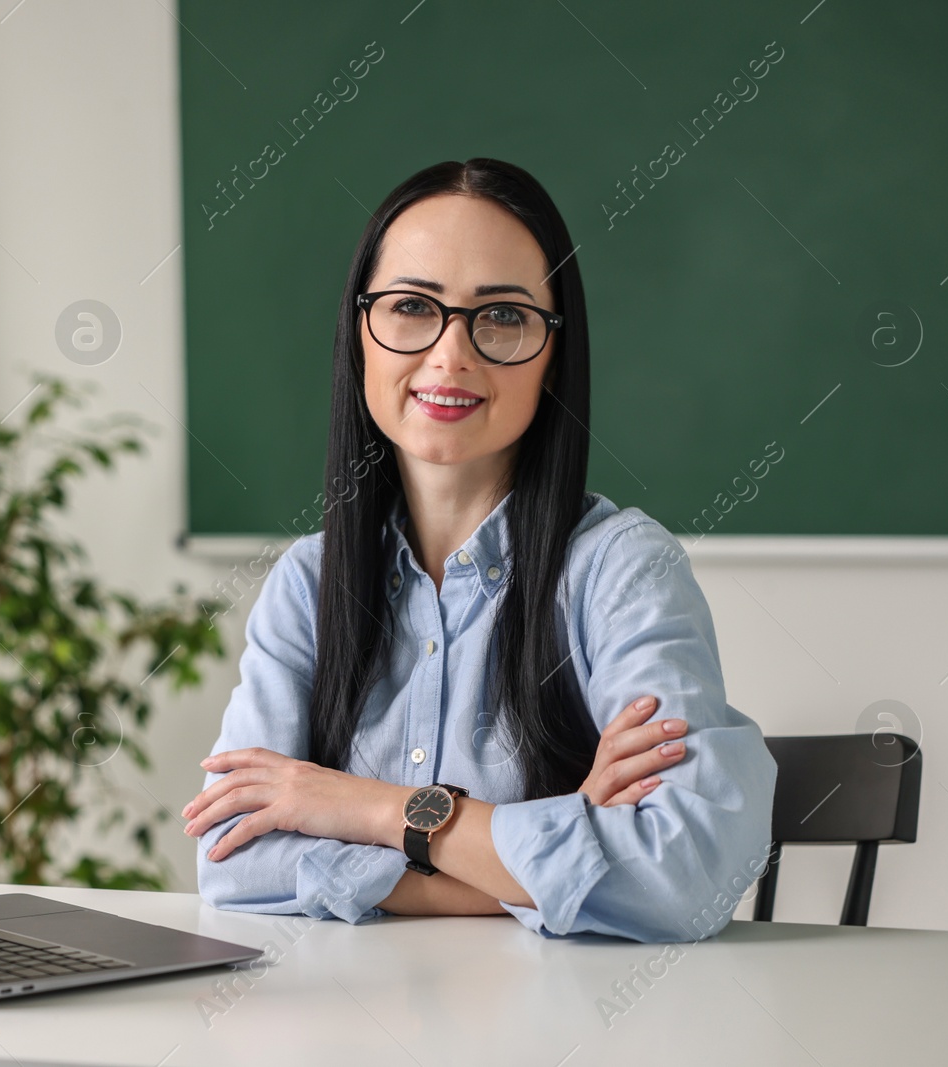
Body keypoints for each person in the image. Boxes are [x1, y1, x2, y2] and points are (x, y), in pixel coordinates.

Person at [182, 158, 777, 941]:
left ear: (554, 353)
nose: (451, 355)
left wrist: (361, 807)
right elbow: (231, 862)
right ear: (360, 334)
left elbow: (685, 876)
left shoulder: (623, 570)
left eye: (501, 317)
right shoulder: (307, 583)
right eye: (409, 306)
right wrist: (549, 845)